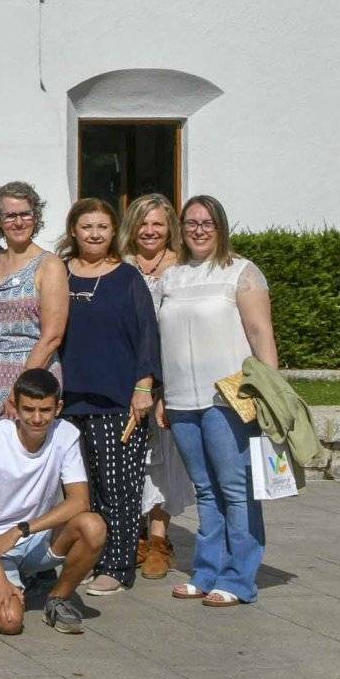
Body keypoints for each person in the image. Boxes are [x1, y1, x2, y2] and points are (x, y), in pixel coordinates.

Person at [157, 195, 280, 606]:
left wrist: (271, 391)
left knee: (235, 487)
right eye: (190, 222)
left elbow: (261, 333)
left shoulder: (241, 273)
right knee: (205, 490)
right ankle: (207, 571)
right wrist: (158, 393)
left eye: (207, 222)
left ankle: (240, 578)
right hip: (180, 398)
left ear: (221, 226)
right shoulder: (171, 277)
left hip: (228, 398)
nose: (198, 229)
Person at [54, 197, 160, 595]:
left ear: (113, 232)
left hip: (116, 398)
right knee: (80, 488)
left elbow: (147, 334)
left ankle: (117, 566)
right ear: (74, 232)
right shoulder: (60, 274)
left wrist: (144, 386)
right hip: (68, 400)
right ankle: (86, 557)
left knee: (118, 486)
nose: (94, 234)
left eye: (102, 227)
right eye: (87, 227)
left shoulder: (127, 277)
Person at [0, 367, 105, 633]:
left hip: (36, 535)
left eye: (46, 410)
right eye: (28, 409)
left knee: (93, 525)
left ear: (59, 407)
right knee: (10, 622)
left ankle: (57, 598)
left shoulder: (66, 434)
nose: (38, 418)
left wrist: (21, 530)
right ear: (13, 406)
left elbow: (79, 501)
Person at [124, 192, 189, 578]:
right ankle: (134, 535)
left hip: (170, 375)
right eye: (143, 224)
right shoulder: (121, 266)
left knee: (163, 458)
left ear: (170, 229)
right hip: (126, 374)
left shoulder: (182, 268)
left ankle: (160, 538)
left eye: (158, 225)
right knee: (130, 456)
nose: (150, 231)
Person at [0, 181, 68, 422]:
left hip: (32, 379)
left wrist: (19, 391)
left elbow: (52, 337)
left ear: (35, 217)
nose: (18, 222)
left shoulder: (49, 265)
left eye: (25, 214)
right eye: (10, 215)